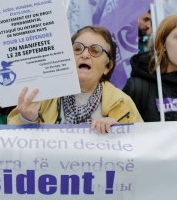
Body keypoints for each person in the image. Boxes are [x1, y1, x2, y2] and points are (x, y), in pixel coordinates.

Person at [8, 25, 142, 132]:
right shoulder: (41, 96)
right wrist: (27, 120)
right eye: (77, 48)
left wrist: (119, 132)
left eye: (95, 51)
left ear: (108, 66)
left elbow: (141, 151)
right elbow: (9, 145)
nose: (84, 55)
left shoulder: (122, 103)